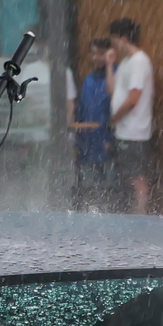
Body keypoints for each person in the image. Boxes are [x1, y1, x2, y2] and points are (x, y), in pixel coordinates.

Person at [106, 18, 154, 214]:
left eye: (115, 40)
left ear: (123, 38)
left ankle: (140, 213)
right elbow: (113, 91)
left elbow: (134, 97)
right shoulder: (126, 62)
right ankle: (130, 212)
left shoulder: (139, 62)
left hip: (134, 130)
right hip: (124, 130)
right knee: (127, 176)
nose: (114, 45)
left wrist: (115, 118)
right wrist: (110, 65)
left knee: (136, 178)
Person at [70, 37, 113, 210]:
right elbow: (82, 109)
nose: (96, 58)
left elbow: (114, 108)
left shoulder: (114, 77)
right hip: (87, 143)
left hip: (106, 141)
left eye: (100, 54)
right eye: (94, 54)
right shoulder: (89, 80)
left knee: (110, 184)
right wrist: (77, 138)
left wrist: (110, 137)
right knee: (86, 183)